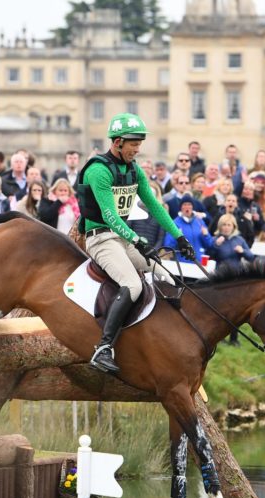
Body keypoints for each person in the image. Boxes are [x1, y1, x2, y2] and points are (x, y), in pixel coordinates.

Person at [75, 112, 188, 372]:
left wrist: (179, 236)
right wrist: (138, 240)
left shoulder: (134, 170)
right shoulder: (98, 171)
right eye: (133, 144)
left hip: (123, 239)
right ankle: (103, 348)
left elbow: (155, 206)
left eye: (139, 143)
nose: (137, 149)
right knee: (133, 284)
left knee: (165, 275)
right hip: (101, 239)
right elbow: (109, 215)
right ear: (117, 143)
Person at [165, 195, 213, 263]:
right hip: (183, 263)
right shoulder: (175, 223)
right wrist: (176, 237)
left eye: (189, 204)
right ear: (181, 207)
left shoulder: (199, 221)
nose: (187, 207)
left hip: (199, 263)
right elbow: (168, 247)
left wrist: (206, 236)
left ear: (192, 207)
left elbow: (209, 244)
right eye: (184, 204)